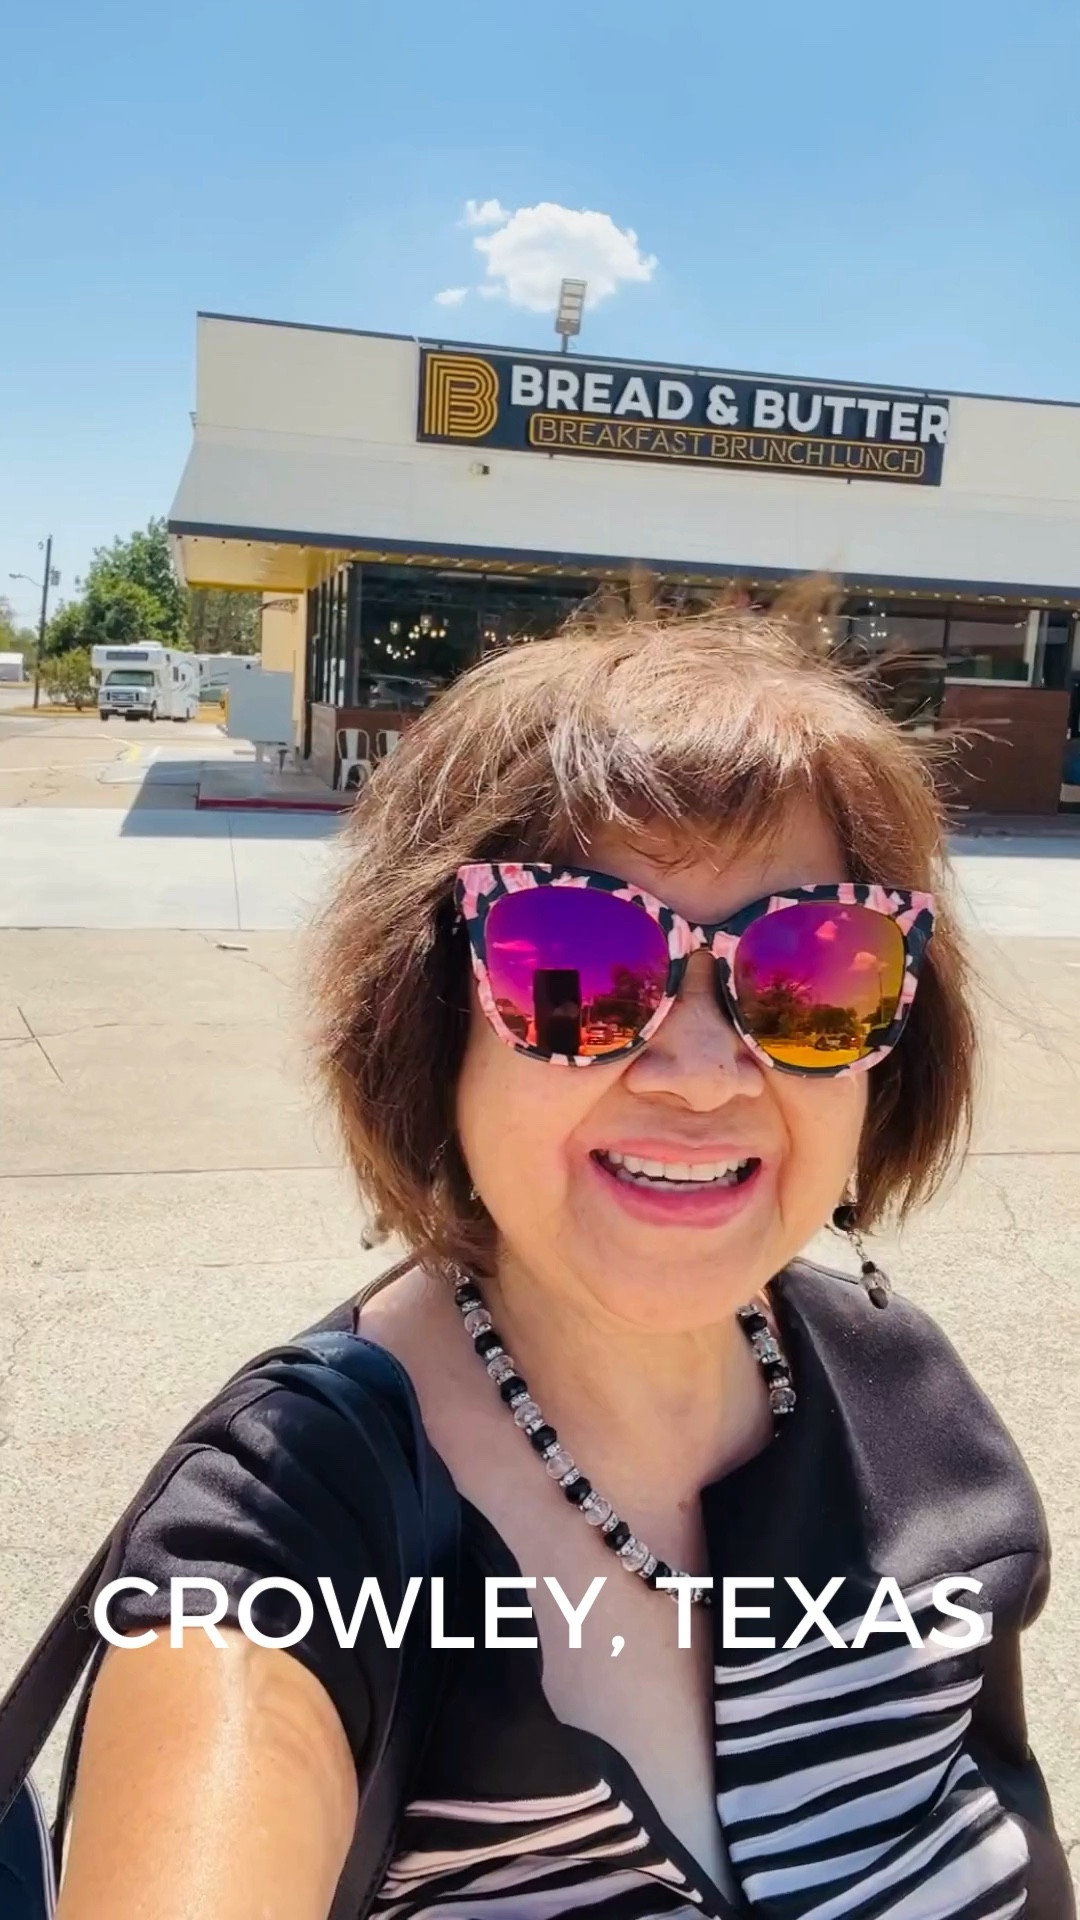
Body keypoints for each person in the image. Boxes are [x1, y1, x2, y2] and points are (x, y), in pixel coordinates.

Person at [56, 592, 1072, 1919]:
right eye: (575, 964)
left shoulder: (915, 1414)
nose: (706, 1074)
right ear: (428, 1020)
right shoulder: (297, 1527)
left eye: (814, 969)